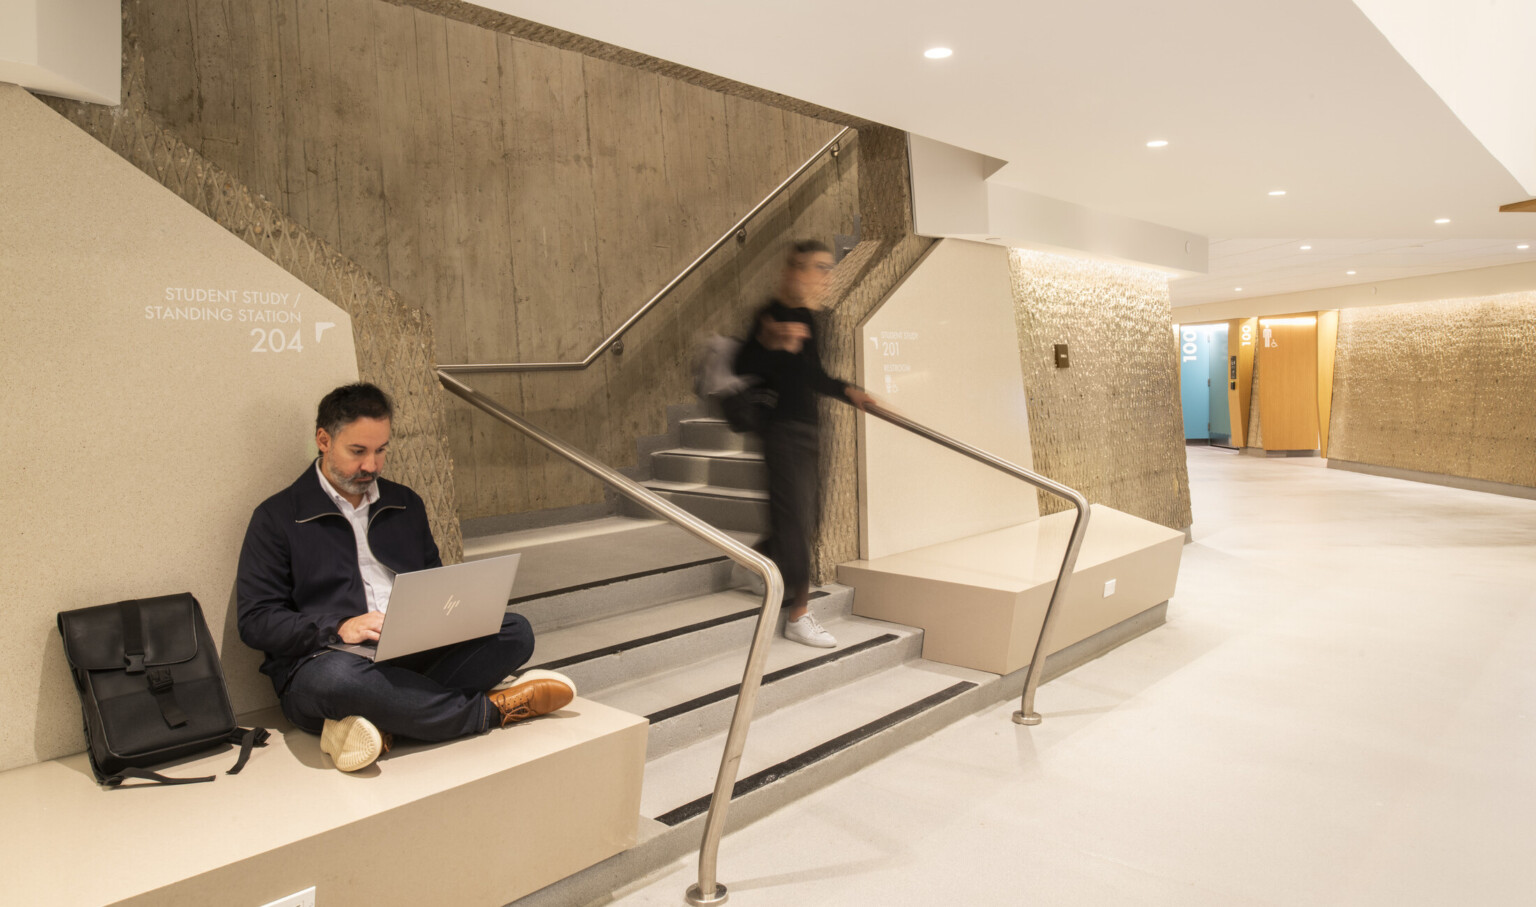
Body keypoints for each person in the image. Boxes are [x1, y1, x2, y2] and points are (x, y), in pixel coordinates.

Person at [236, 383, 574, 772]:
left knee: (515, 631)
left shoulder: (404, 503)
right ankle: (489, 712)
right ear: (324, 440)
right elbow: (256, 620)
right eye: (358, 451)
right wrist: (339, 626)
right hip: (330, 661)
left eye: (381, 451)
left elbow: (434, 583)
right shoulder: (277, 517)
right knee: (336, 683)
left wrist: (453, 614)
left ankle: (381, 724)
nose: (371, 466)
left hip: (411, 654)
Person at [734, 240, 876, 648]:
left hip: (809, 429)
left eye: (829, 269)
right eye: (820, 268)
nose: (828, 277)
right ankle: (798, 613)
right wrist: (771, 342)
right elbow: (742, 366)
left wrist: (850, 391)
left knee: (805, 513)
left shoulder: (810, 318)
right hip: (779, 430)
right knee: (795, 518)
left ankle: (752, 561)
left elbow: (812, 375)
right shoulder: (770, 315)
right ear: (796, 270)